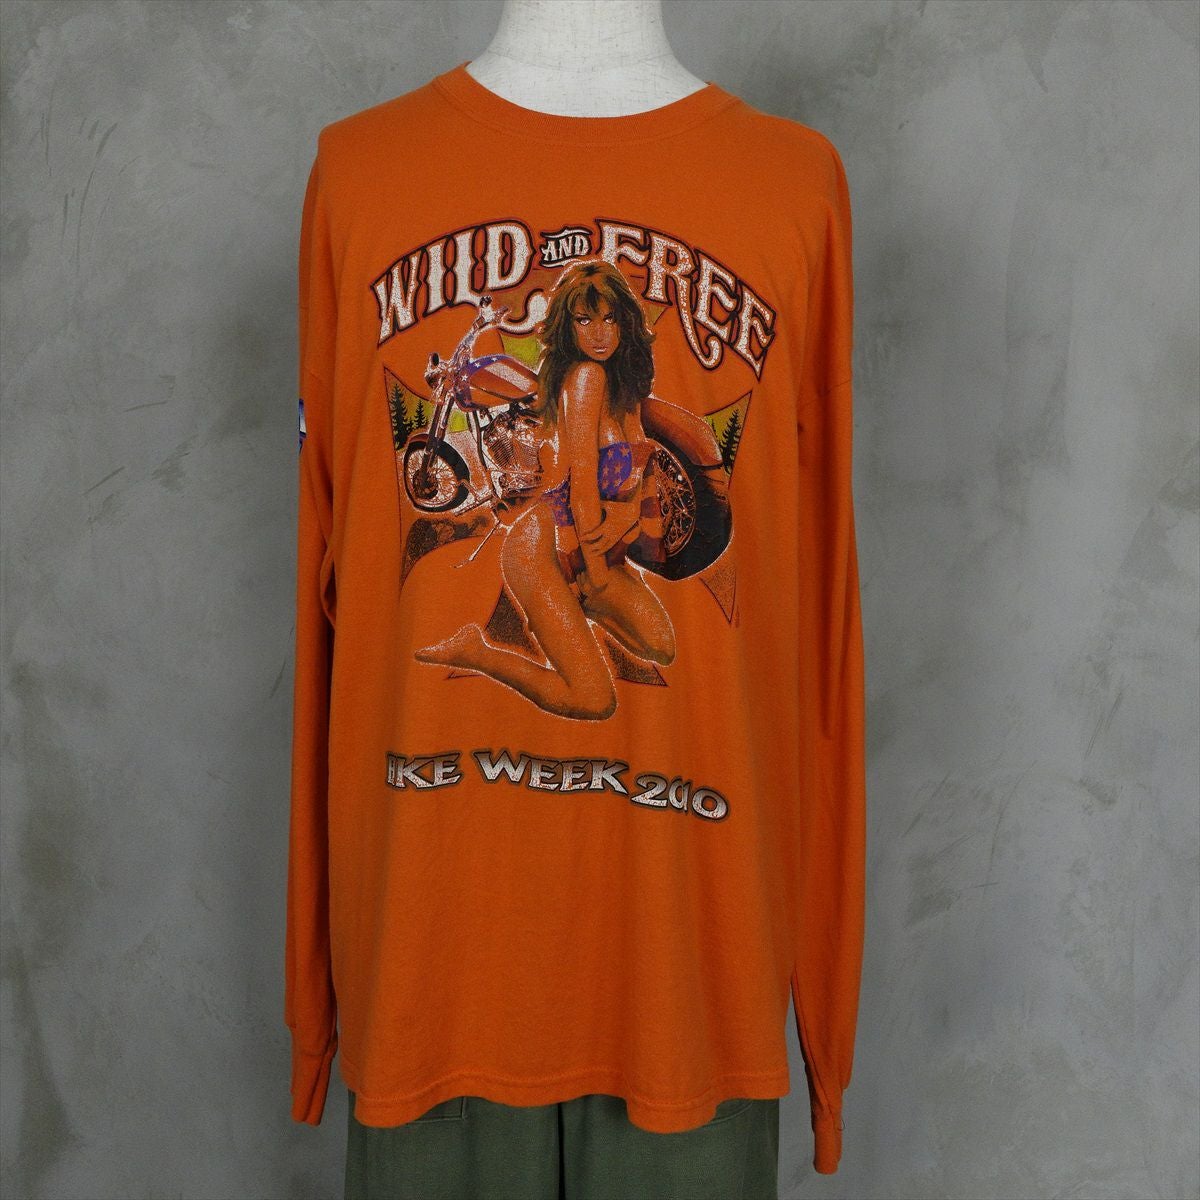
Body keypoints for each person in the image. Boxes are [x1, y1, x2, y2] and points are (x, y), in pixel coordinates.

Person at [414, 259, 675, 720]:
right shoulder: (586, 378)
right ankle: (478, 651)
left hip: (589, 542)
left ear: (625, 322)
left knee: (663, 646)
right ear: (567, 327)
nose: (599, 333)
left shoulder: (624, 386)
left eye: (609, 318)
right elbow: (580, 483)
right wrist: (597, 575)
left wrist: (626, 516)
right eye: (584, 320)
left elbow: (638, 466)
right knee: (595, 701)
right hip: (546, 546)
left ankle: (573, 611)